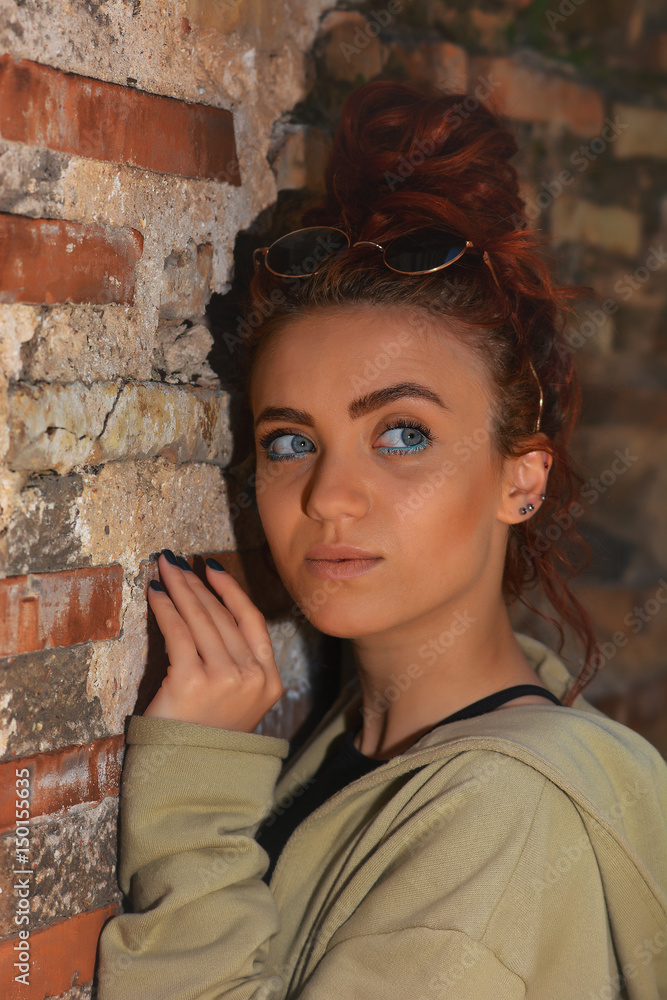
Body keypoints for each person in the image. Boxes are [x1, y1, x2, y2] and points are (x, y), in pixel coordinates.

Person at [97, 80, 667, 999]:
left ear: (520, 480)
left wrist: (193, 811)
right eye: (291, 442)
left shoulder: (507, 808)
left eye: (402, 433)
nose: (328, 497)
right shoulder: (368, 738)